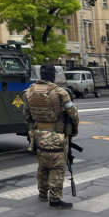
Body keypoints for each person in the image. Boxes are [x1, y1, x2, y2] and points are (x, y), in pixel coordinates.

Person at [24, 63, 80, 209]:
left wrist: (33, 130)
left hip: (38, 135)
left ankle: (42, 193)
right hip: (56, 135)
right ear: (53, 76)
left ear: (41, 75)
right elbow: (73, 113)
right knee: (57, 167)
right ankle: (54, 199)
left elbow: (26, 115)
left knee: (43, 165)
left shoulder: (28, 91)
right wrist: (73, 130)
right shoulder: (60, 92)